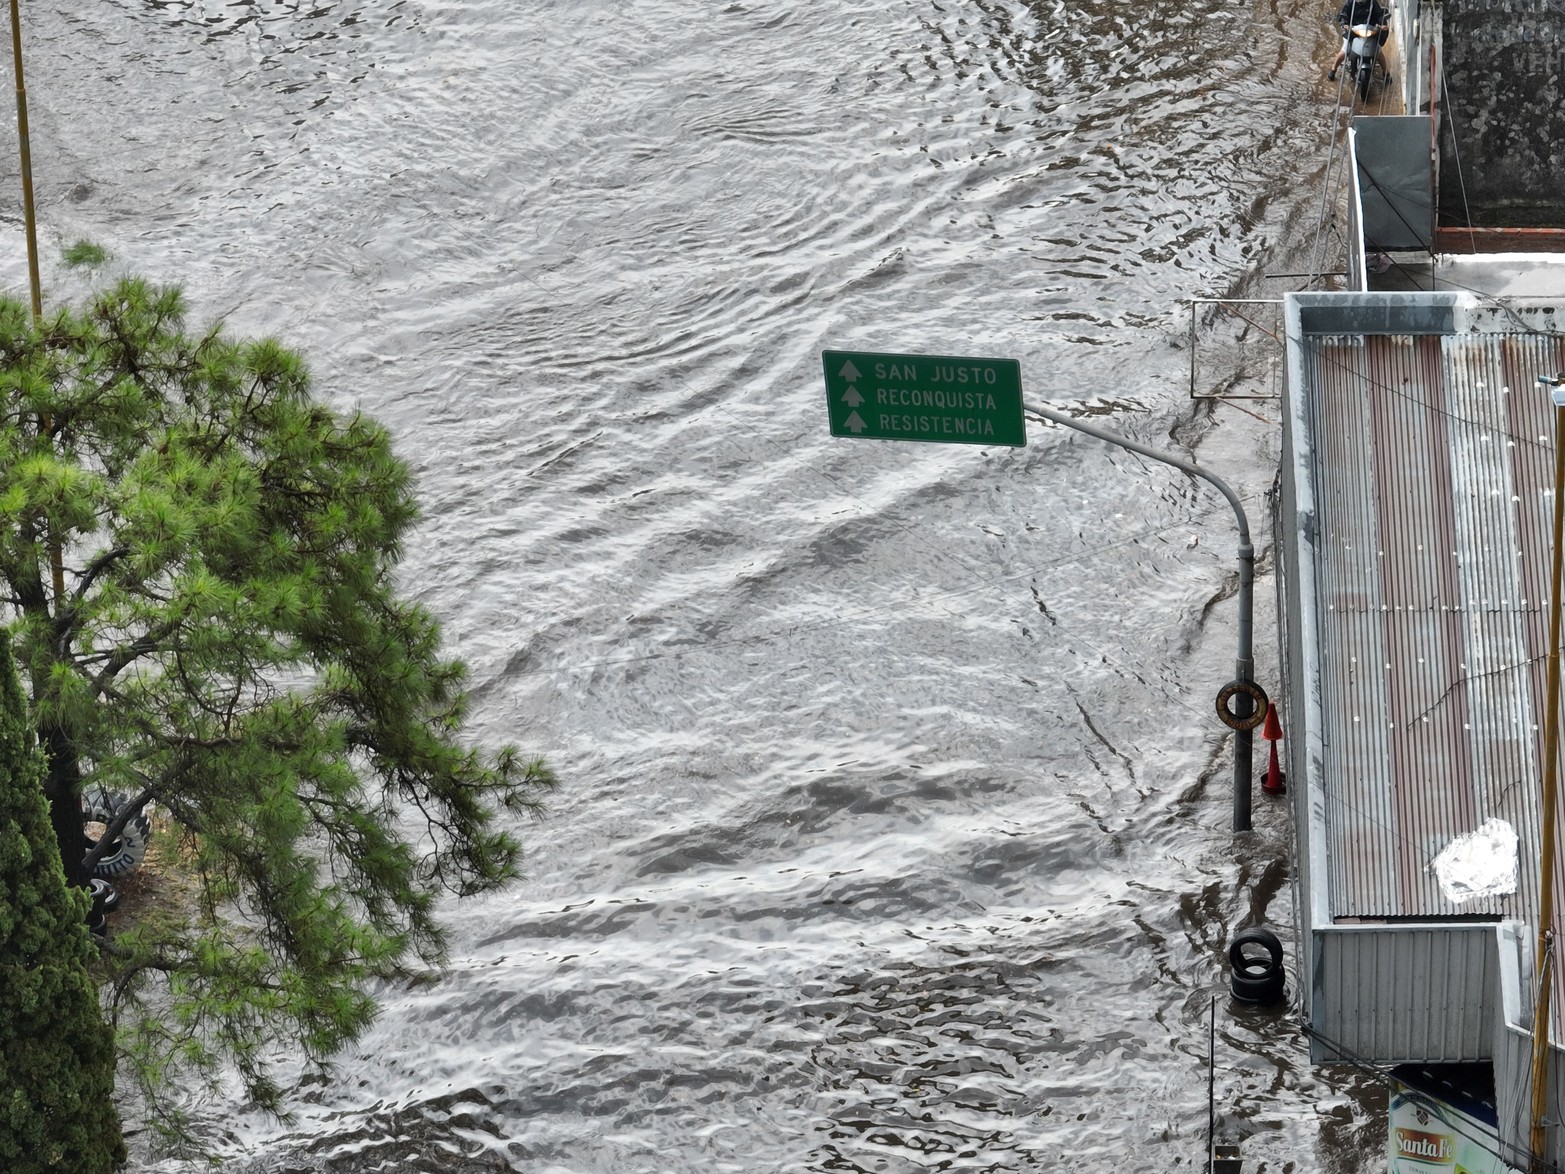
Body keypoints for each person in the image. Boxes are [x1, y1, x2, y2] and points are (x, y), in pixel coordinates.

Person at [1328, 0, 1389, 80]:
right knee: (1345, 50)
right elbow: (1344, 13)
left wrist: (1383, 24)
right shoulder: (1350, 2)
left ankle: (1386, 73)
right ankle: (1333, 69)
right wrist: (1344, 24)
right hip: (1353, 31)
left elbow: (1379, 15)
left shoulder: (1372, 2)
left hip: (1370, 32)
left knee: (1378, 51)